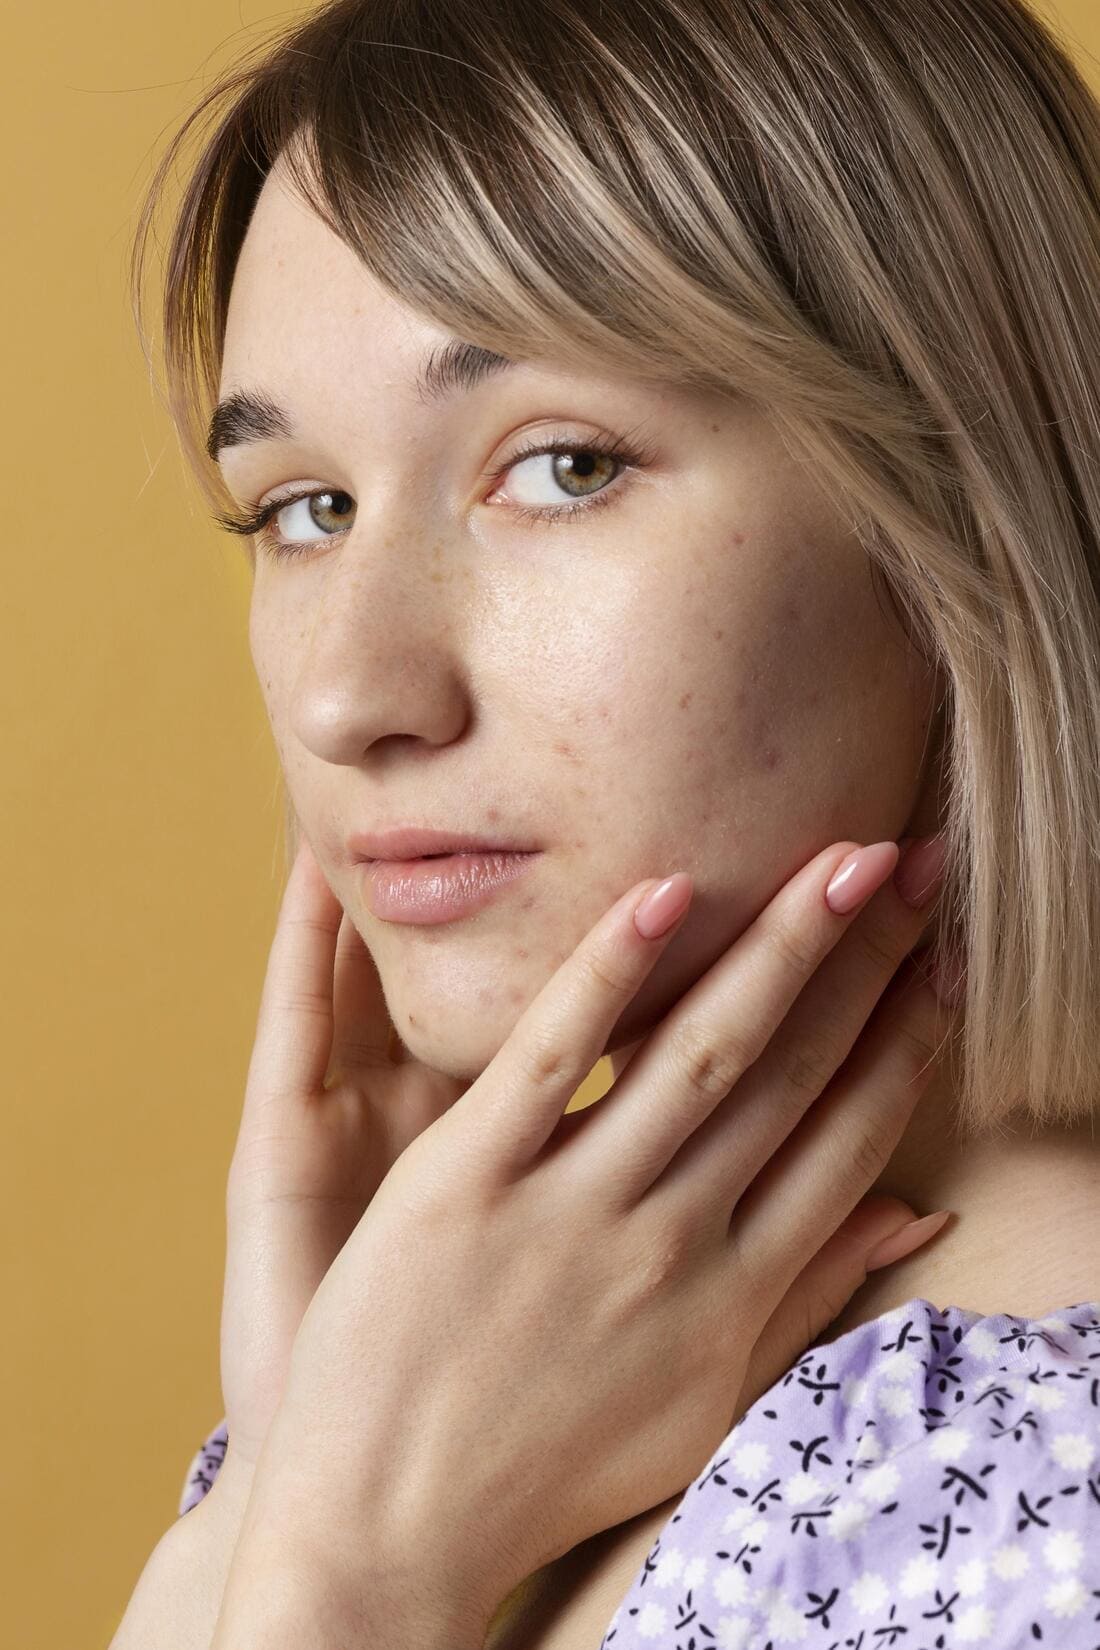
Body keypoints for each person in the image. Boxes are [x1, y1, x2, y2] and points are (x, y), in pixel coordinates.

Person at [114, 1, 1100, 1646]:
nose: (353, 691)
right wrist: (294, 1468)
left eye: (561, 466)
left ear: (963, 514)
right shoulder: (464, 1394)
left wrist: (337, 1572)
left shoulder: (1034, 1524)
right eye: (305, 507)